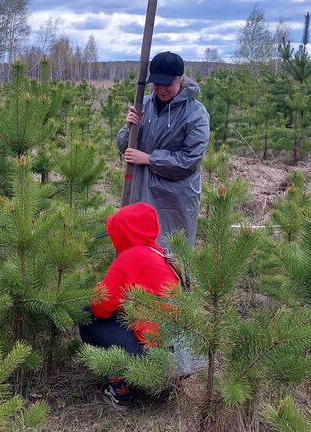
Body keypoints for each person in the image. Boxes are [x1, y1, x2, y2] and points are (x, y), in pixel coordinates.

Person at [79, 202, 178, 409]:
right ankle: (160, 389)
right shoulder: (159, 253)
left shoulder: (131, 258)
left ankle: (120, 393)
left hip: (150, 357)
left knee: (87, 317)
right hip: (175, 355)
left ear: (124, 234)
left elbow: (100, 305)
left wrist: (97, 288)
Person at [117, 51, 210, 247]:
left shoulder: (196, 113)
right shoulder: (144, 104)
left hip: (175, 197)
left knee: (171, 251)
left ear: (180, 79)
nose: (161, 90)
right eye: (157, 84)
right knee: (138, 246)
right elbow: (125, 148)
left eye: (167, 84)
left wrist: (150, 159)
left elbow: (190, 160)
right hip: (140, 190)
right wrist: (128, 129)